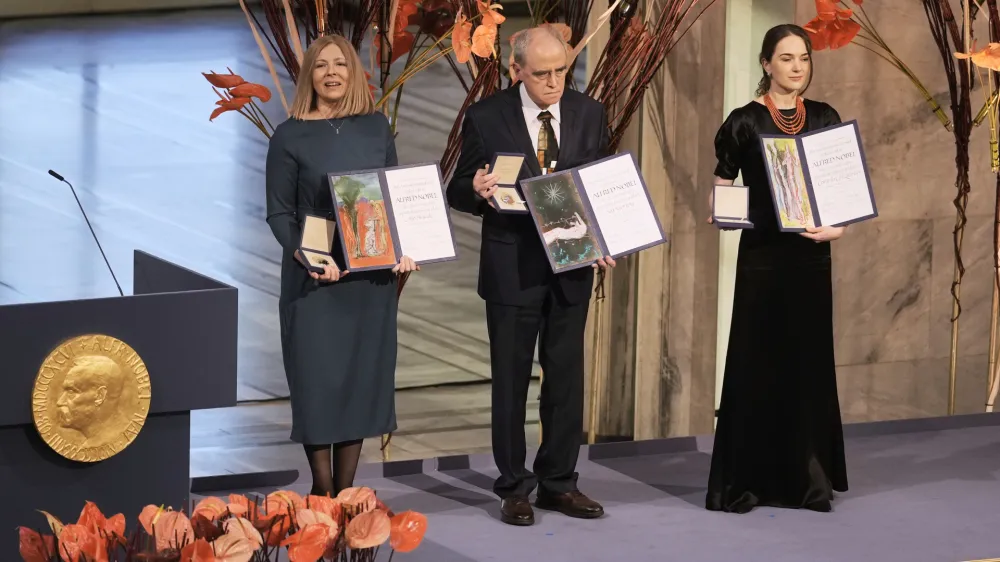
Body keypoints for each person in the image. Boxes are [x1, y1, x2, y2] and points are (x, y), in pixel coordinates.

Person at [447, 26, 614, 526]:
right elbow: (456, 188)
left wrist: (605, 239)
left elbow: (602, 184)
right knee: (512, 380)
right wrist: (474, 189)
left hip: (571, 268)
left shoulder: (589, 113)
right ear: (517, 69)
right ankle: (514, 486)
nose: (554, 82)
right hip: (511, 268)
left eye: (562, 70)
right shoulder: (486, 116)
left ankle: (560, 483)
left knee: (565, 380)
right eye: (542, 73)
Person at [265, 34, 418, 497]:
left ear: (354, 73)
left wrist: (404, 248)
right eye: (321, 66)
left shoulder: (375, 128)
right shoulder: (289, 134)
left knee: (358, 380)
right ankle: (321, 489)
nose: (331, 73)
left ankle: (347, 494)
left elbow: (391, 200)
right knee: (317, 382)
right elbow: (279, 213)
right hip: (314, 284)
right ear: (309, 75)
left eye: (341, 65)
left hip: (368, 283)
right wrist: (308, 258)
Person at [706, 23, 849, 514]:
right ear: (766, 64)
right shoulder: (744, 121)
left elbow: (841, 189)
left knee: (806, 363)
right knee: (756, 362)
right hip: (763, 258)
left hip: (810, 259)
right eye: (787, 58)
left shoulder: (826, 117)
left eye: (804, 58)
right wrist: (723, 210)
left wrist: (838, 229)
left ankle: (809, 482)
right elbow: (724, 180)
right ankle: (745, 483)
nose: (797, 67)